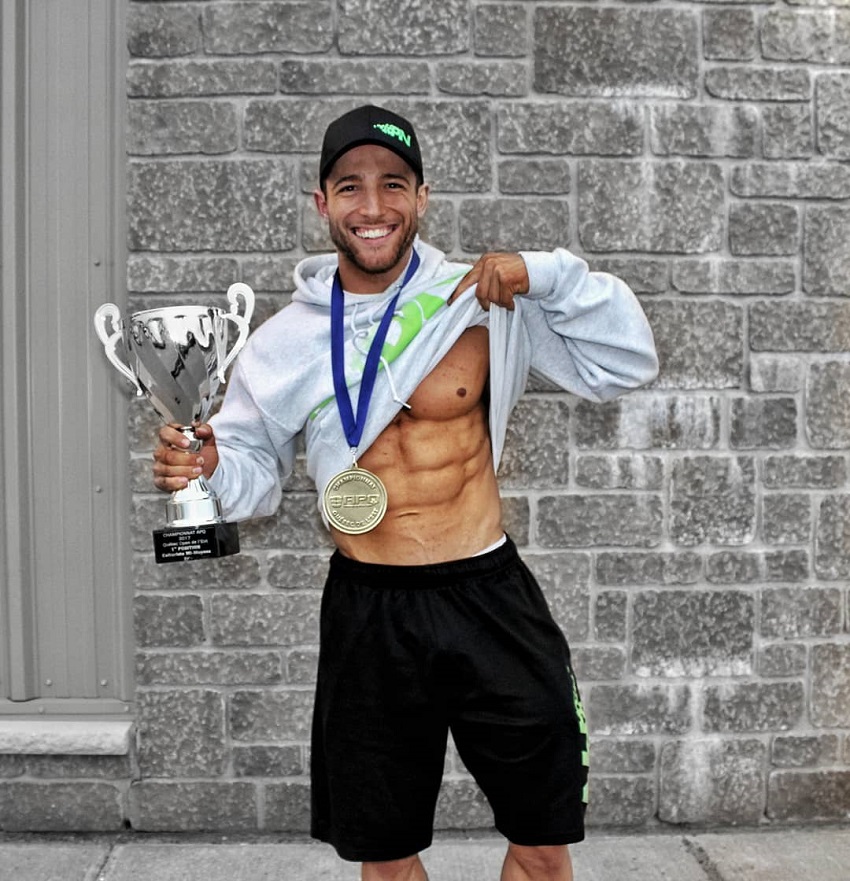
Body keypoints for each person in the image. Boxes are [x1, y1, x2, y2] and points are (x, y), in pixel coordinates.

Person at [153, 105, 658, 881]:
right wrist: (213, 462)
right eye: (349, 187)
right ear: (323, 204)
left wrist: (548, 273)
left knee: (543, 835)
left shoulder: (478, 300)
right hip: (369, 607)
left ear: (422, 197)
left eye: (394, 184)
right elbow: (252, 483)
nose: (373, 206)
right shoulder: (285, 341)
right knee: (384, 855)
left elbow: (628, 360)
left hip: (488, 594)